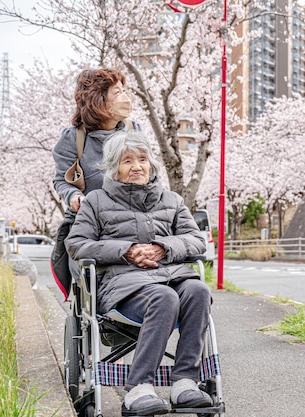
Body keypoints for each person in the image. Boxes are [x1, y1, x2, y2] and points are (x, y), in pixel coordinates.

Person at [65, 131, 213, 416]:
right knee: (164, 297)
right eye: (127, 161)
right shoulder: (96, 201)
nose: (136, 166)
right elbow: (77, 244)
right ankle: (138, 388)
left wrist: (162, 247)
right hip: (123, 287)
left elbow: (197, 241)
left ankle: (185, 382)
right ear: (113, 168)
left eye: (142, 159)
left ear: (151, 164)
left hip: (170, 274)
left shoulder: (172, 200)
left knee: (198, 290)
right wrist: (126, 250)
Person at [52, 68, 138, 298]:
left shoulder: (133, 131)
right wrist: (74, 197)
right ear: (98, 99)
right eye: (117, 92)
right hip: (92, 227)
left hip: (130, 223)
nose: (125, 97)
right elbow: (62, 180)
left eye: (124, 91)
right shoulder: (74, 139)